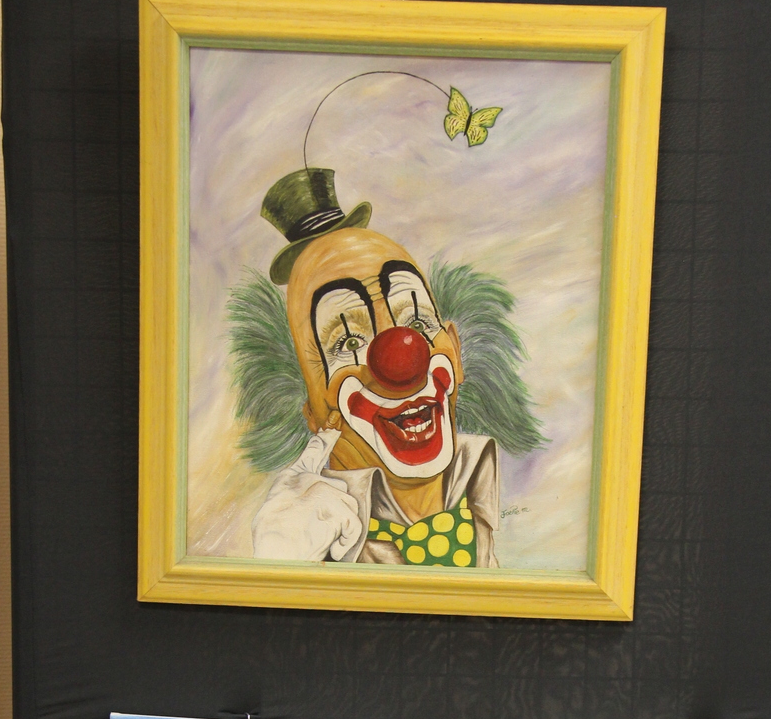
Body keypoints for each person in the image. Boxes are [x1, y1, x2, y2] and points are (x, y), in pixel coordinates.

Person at [229, 167, 543, 568]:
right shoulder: (308, 547)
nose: (400, 360)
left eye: (417, 323)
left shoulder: (496, 513)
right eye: (348, 342)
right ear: (312, 407)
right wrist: (282, 567)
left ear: (454, 350)